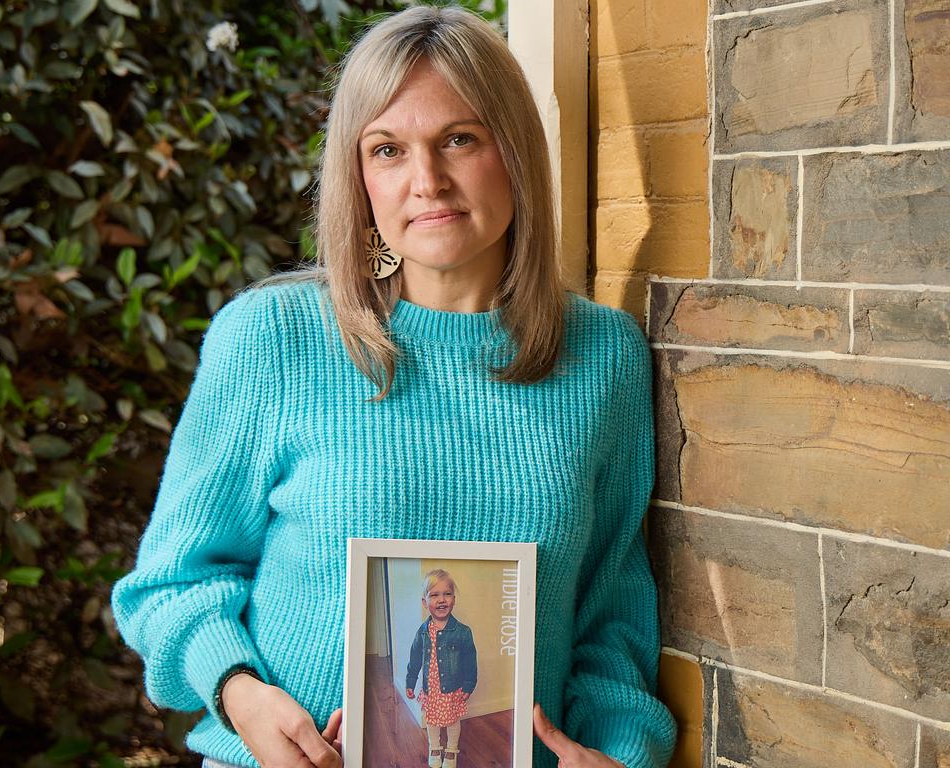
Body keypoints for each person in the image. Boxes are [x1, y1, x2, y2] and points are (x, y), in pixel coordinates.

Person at [110, 6, 677, 768]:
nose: (427, 181)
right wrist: (239, 694)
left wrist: (622, 754)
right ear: (359, 176)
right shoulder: (274, 338)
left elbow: (611, 623)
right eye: (388, 149)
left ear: (513, 149)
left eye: (459, 139)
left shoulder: (603, 358)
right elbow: (169, 585)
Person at [404, 570, 478, 768]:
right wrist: (410, 682)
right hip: (432, 688)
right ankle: (434, 747)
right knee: (432, 719)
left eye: (447, 594)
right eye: (434, 595)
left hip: (453, 687)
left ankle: (452, 749)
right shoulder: (422, 632)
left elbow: (471, 660)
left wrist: (469, 685)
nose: (441, 600)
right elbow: (414, 658)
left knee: (453, 720)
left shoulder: (463, 632)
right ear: (424, 601)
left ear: (454, 599)